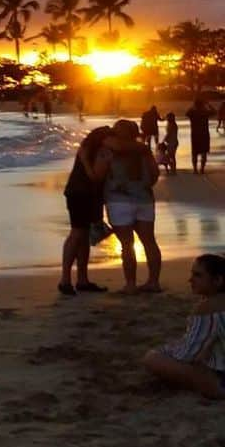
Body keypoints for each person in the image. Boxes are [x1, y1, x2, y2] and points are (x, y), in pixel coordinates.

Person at [93, 119, 162, 294]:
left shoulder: (108, 150)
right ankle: (153, 282)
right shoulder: (144, 150)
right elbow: (154, 174)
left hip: (118, 200)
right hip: (144, 199)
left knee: (127, 244)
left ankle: (131, 284)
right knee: (150, 242)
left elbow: (99, 175)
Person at [143, 254, 225, 399]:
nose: (190, 280)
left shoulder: (208, 308)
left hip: (221, 376)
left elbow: (188, 354)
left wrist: (164, 351)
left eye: (198, 275)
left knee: (152, 358)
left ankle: (216, 390)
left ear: (218, 280)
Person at [59, 126, 113, 295]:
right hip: (83, 195)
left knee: (82, 236)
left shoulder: (87, 149)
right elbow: (95, 177)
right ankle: (66, 279)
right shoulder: (100, 151)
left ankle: (81, 279)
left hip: (79, 193)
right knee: (77, 234)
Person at [187, 96, 212, 173]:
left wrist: (193, 106)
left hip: (195, 135)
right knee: (204, 153)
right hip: (204, 135)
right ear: (202, 104)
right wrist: (208, 105)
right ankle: (202, 169)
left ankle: (195, 169)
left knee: (194, 153)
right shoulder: (205, 112)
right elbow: (214, 111)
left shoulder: (192, 113)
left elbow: (187, 113)